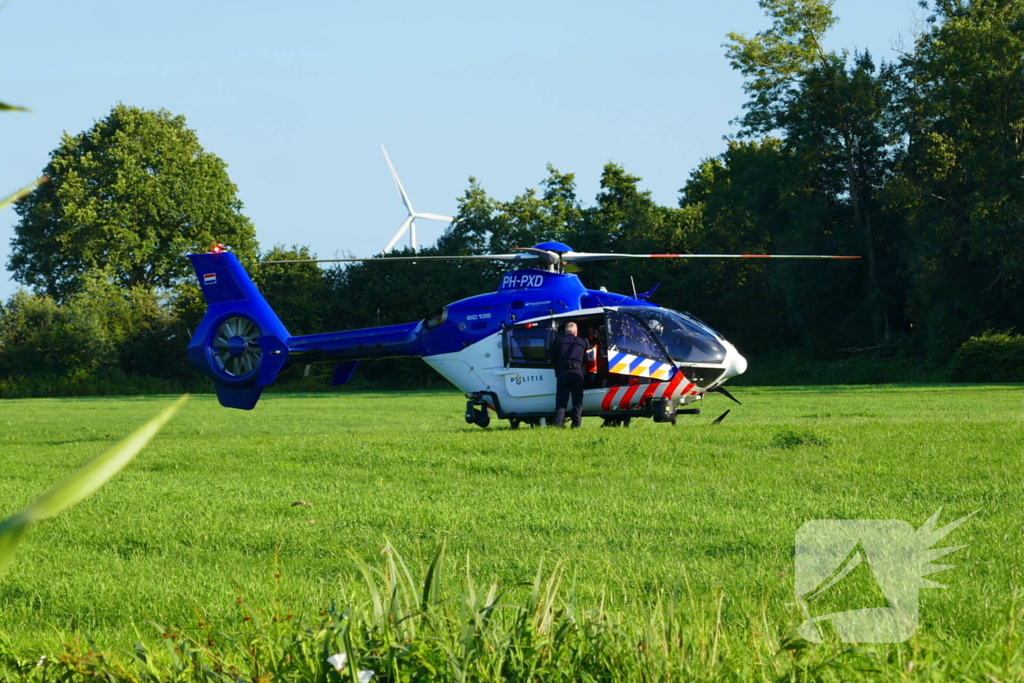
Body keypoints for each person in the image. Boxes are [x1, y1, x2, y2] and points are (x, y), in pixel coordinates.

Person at [553, 321, 589, 428]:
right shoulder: (582, 342)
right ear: (575, 331)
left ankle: (558, 423)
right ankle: (576, 424)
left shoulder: (558, 341)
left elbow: (552, 357)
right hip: (577, 372)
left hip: (563, 372)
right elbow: (586, 358)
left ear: (565, 331)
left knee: (561, 400)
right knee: (577, 400)